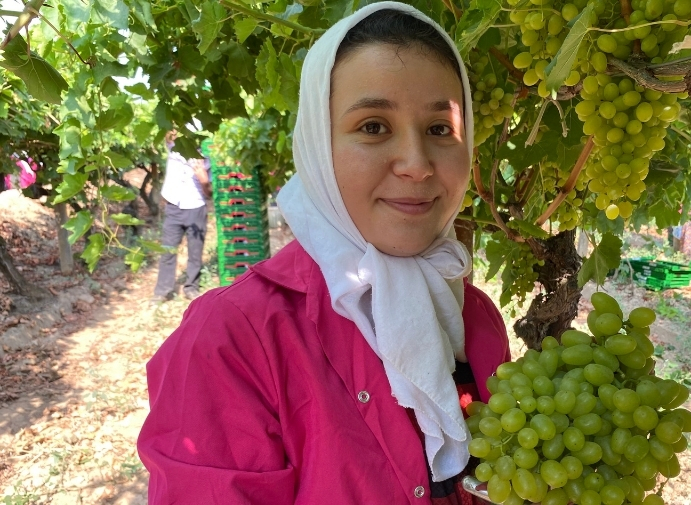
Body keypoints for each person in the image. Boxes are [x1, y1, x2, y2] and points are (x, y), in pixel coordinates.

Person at [137, 3, 511, 504]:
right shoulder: (232, 341)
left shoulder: (474, 315)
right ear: (316, 145)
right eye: (374, 126)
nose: (418, 164)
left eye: (440, 129)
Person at [152, 130, 212, 302]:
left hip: (196, 207)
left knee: (195, 251)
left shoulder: (205, 158)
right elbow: (169, 131)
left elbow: (209, 193)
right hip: (174, 206)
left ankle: (191, 287)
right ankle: (163, 291)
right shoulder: (174, 148)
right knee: (168, 250)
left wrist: (204, 180)